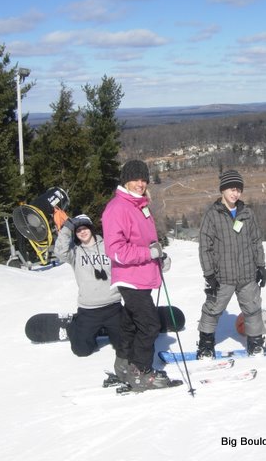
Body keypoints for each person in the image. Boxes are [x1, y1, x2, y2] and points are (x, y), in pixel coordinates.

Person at [102, 160, 176, 390]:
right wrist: (148, 254)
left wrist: (157, 257)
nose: (140, 183)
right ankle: (140, 370)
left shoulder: (138, 205)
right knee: (149, 324)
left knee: (131, 322)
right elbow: (115, 250)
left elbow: (146, 241)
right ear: (126, 180)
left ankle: (124, 363)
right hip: (130, 276)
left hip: (141, 274)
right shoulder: (118, 208)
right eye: (135, 179)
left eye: (143, 179)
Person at [197, 169, 266, 358]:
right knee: (212, 310)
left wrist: (260, 266)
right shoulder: (212, 215)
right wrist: (209, 274)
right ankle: (205, 344)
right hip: (222, 276)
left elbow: (256, 241)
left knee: (252, 309)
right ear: (222, 190)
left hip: (247, 274)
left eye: (238, 190)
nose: (235, 193)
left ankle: (255, 342)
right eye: (231, 189)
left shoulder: (247, 214)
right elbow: (205, 247)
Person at [54, 214, 123, 357]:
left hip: (113, 307)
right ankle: (77, 324)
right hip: (89, 310)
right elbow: (60, 252)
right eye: (78, 230)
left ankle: (107, 329)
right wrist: (67, 228)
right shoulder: (74, 252)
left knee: (125, 347)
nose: (82, 232)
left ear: (91, 229)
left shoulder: (108, 245)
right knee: (81, 351)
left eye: (85, 228)